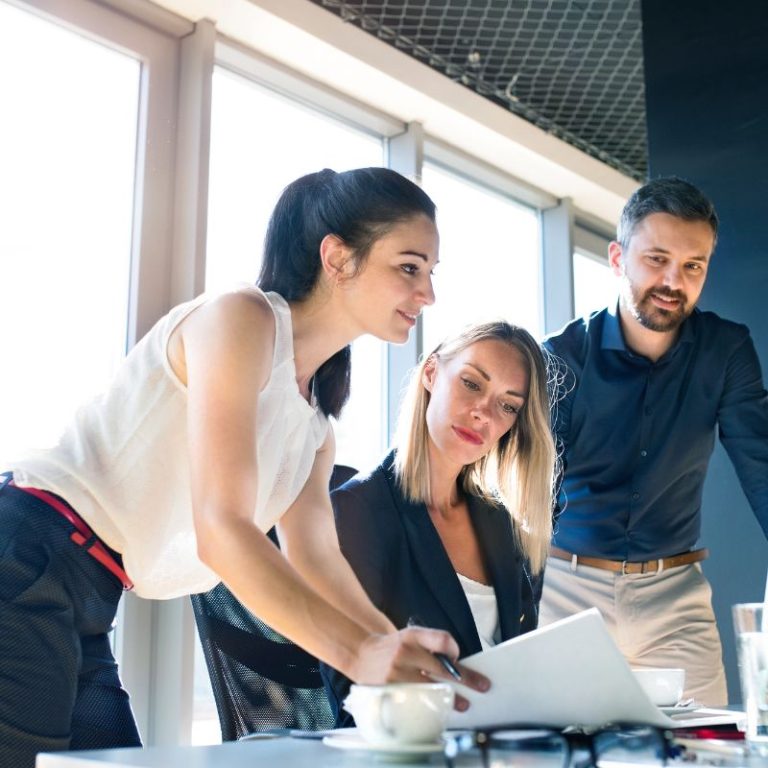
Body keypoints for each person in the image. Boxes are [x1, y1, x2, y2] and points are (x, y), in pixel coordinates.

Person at [0, 167, 489, 766]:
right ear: (338, 258)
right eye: (410, 267)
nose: (428, 295)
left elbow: (316, 560)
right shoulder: (241, 318)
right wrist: (360, 656)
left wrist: (393, 650)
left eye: (431, 274)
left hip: (93, 590)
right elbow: (221, 528)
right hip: (27, 549)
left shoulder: (315, 423)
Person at [539, 177, 768, 706]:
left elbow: (761, 464)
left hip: (676, 596)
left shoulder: (727, 350)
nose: (673, 280)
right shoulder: (560, 356)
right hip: (567, 591)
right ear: (618, 258)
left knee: (706, 753)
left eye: (693, 266)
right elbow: (535, 491)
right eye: (656, 259)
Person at [322, 320, 559, 724]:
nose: (483, 413)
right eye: (471, 383)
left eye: (507, 406)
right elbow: (351, 695)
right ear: (431, 373)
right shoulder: (355, 512)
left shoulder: (502, 526)